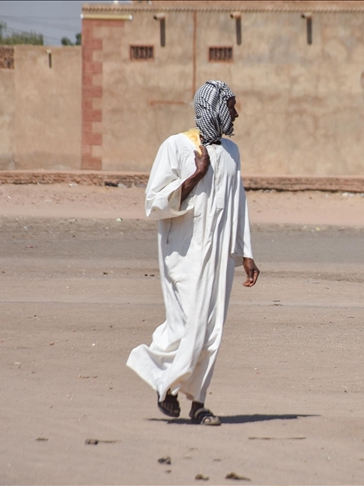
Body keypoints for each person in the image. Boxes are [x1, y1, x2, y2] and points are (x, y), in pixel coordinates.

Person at [127, 81, 259, 426]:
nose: (235, 114)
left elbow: (238, 202)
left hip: (219, 258)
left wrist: (246, 252)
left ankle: (198, 402)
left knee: (212, 330)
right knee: (186, 325)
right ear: (213, 107)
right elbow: (154, 203)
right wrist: (197, 174)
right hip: (184, 255)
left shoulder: (231, 152)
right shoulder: (175, 147)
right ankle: (161, 379)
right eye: (231, 106)